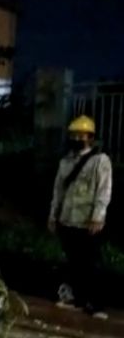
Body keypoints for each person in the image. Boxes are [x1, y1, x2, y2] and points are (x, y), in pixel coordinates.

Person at [48, 115, 113, 319]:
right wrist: (53, 216)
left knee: (91, 264)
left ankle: (95, 304)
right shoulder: (65, 162)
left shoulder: (99, 161)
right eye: (73, 135)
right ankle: (76, 299)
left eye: (80, 135)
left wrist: (98, 217)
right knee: (73, 262)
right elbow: (58, 191)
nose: (76, 138)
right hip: (68, 220)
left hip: (88, 221)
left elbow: (103, 190)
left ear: (90, 137)